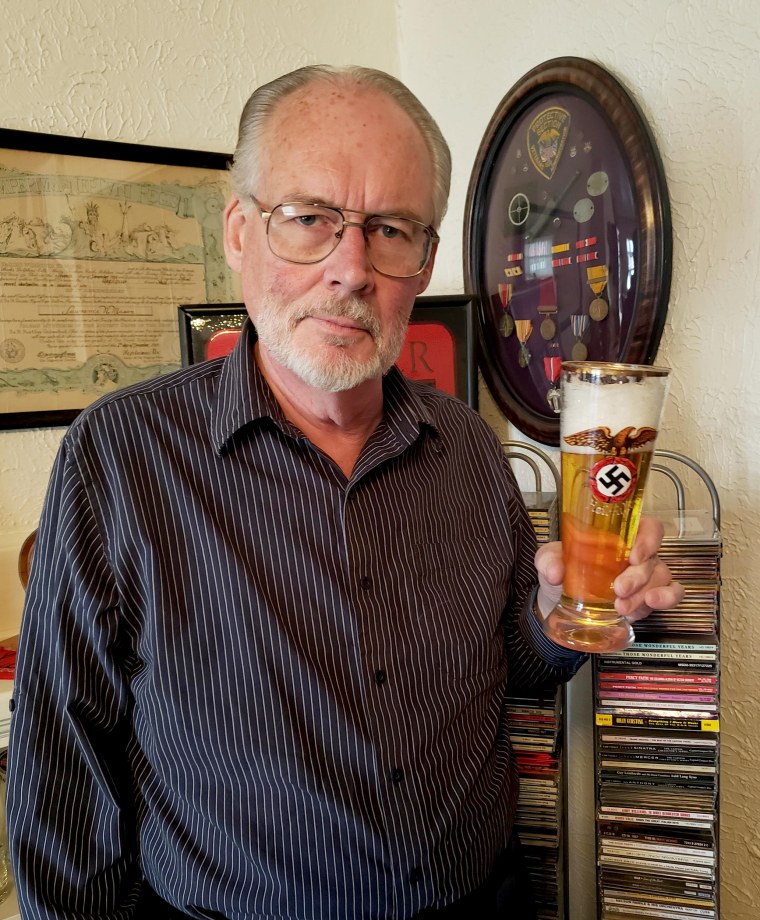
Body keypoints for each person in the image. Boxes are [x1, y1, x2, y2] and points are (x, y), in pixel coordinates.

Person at [6, 65, 682, 920]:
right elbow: (61, 767)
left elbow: (516, 667)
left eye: (392, 229)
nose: (351, 269)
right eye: (308, 220)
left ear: (425, 261)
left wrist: (555, 621)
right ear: (240, 232)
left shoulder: (470, 446)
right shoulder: (119, 456)